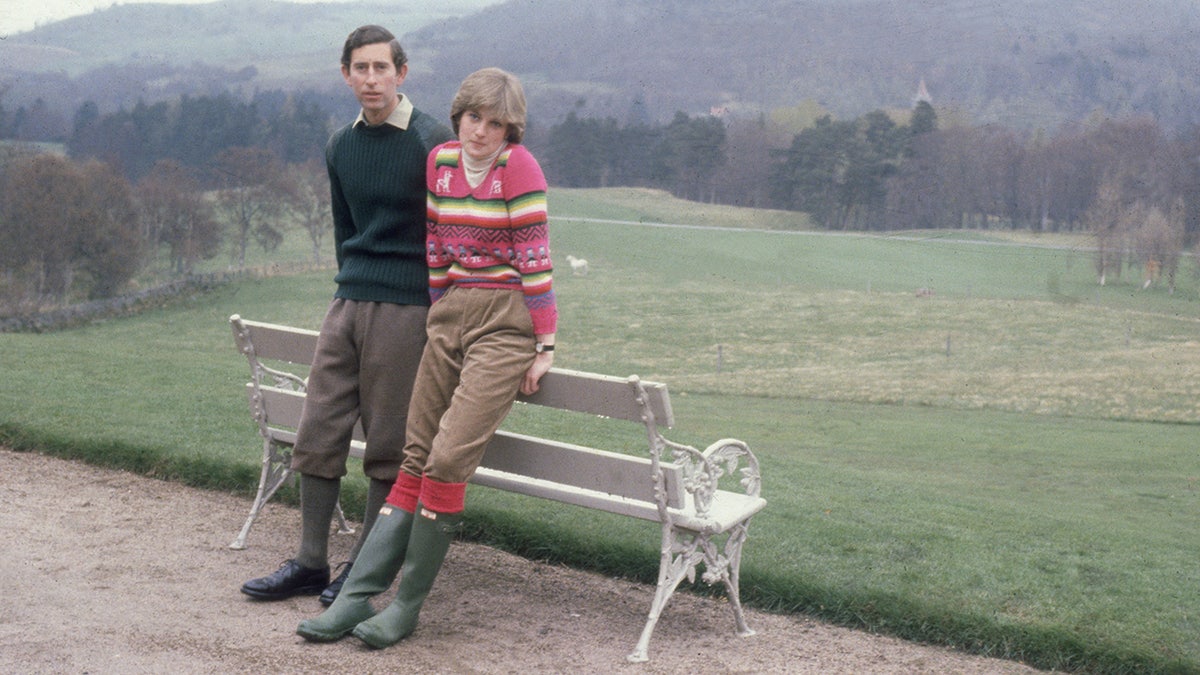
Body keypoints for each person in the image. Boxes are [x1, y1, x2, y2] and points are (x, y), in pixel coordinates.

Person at [296, 67, 556, 648]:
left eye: (496, 124)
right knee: (413, 456)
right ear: (458, 115)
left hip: (505, 322)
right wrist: (440, 311)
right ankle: (357, 596)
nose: (482, 133)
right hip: (450, 313)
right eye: (473, 118)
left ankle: (406, 605)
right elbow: (436, 244)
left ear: (510, 130)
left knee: (445, 459)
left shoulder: (519, 168)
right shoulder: (439, 161)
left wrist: (544, 345)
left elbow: (535, 259)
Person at [240, 25, 454, 607]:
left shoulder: (433, 140)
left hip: (409, 309)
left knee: (388, 440)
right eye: (360, 68)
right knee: (320, 426)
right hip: (348, 300)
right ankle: (311, 561)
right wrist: (351, 291)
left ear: (401, 73)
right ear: (345, 74)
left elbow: (452, 231)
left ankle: (363, 566)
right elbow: (345, 230)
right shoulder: (340, 145)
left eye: (381, 68)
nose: (371, 79)